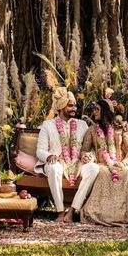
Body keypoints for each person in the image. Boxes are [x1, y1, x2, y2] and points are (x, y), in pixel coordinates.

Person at [35, 87, 99, 223]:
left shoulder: (82, 125)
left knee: (93, 169)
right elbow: (40, 150)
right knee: (53, 167)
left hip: (78, 163)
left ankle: (71, 211)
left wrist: (90, 156)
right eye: (70, 105)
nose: (74, 108)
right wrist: (49, 156)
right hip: (58, 162)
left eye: (75, 105)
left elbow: (92, 149)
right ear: (61, 106)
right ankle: (59, 211)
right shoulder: (47, 125)